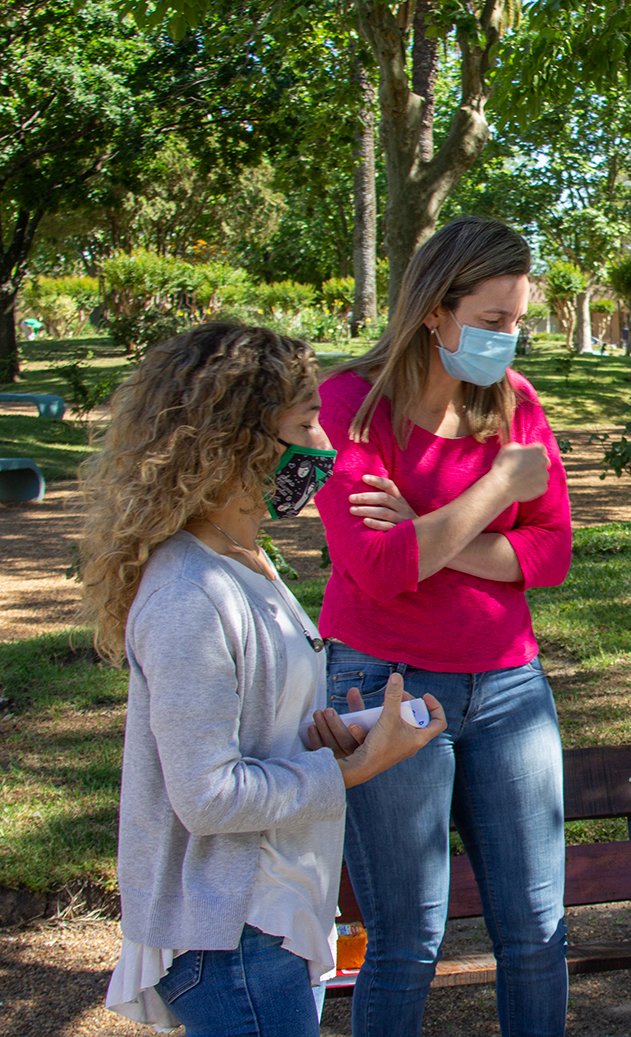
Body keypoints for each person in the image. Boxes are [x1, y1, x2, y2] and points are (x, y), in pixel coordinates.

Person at [82, 322, 447, 1035]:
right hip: (232, 940)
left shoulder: (245, 559)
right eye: (305, 421)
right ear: (236, 439)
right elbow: (208, 795)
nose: (325, 443)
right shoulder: (189, 592)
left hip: (268, 922)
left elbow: (249, 734)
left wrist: (330, 742)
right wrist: (350, 772)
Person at [313, 215, 572, 1037]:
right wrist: (496, 489)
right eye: (493, 321)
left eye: (518, 320)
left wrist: (428, 527)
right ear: (434, 309)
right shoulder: (348, 404)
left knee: (536, 931)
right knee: (407, 938)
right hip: (385, 683)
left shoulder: (516, 402)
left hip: (508, 685)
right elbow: (378, 570)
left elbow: (554, 552)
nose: (509, 339)